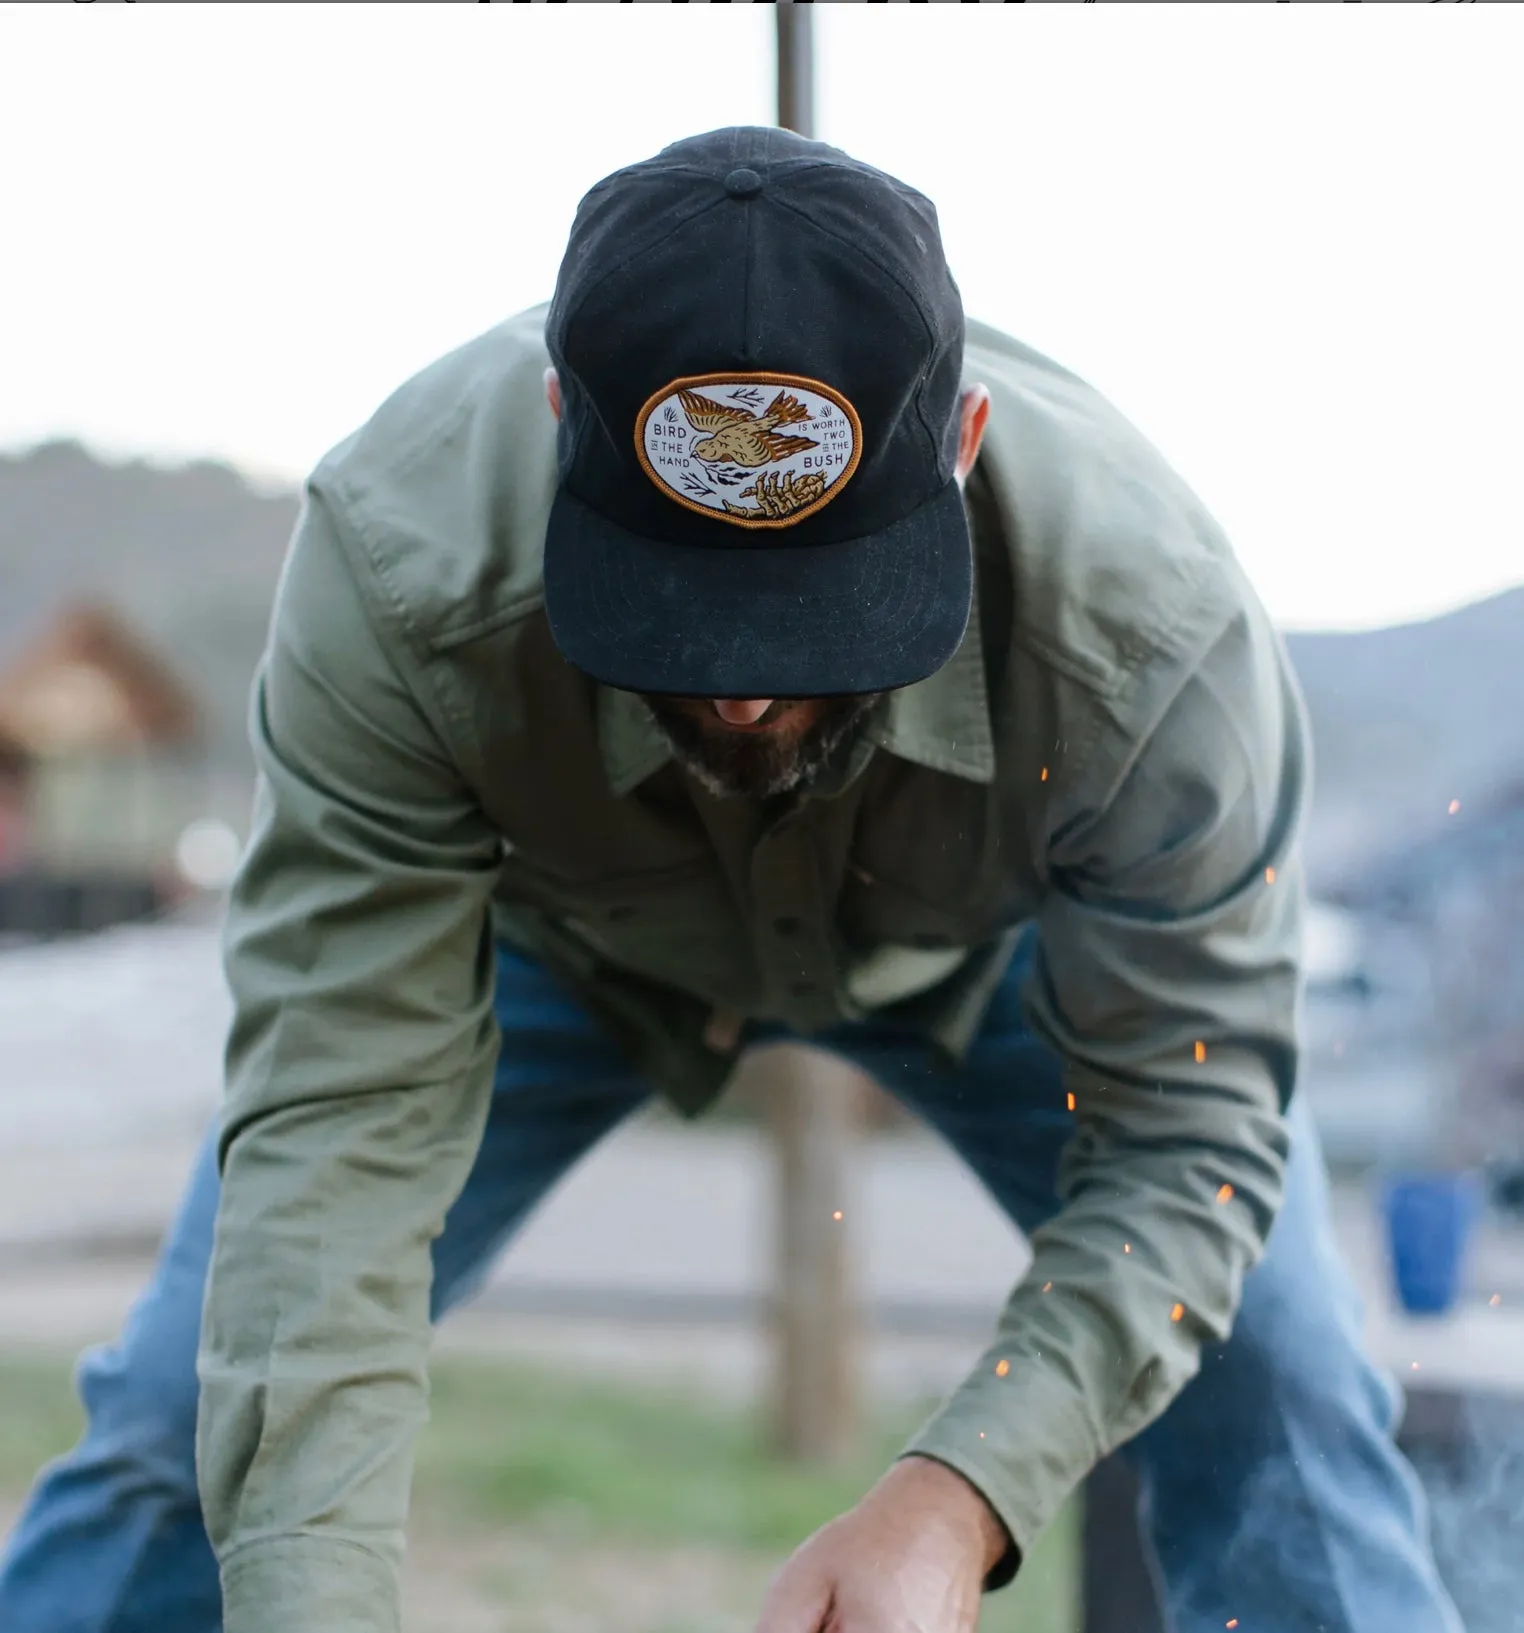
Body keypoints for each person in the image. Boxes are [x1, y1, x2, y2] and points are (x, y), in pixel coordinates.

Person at [0, 127, 1464, 1633]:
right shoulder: (398, 573)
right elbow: (329, 1152)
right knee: (195, 1405)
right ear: (565, 418)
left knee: (1283, 1381)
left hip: (999, 951)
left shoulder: (1152, 635)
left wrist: (956, 1496)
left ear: (959, 445)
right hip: (557, 943)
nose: (748, 697)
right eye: (686, 612)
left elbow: (1192, 1140)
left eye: (815, 614)